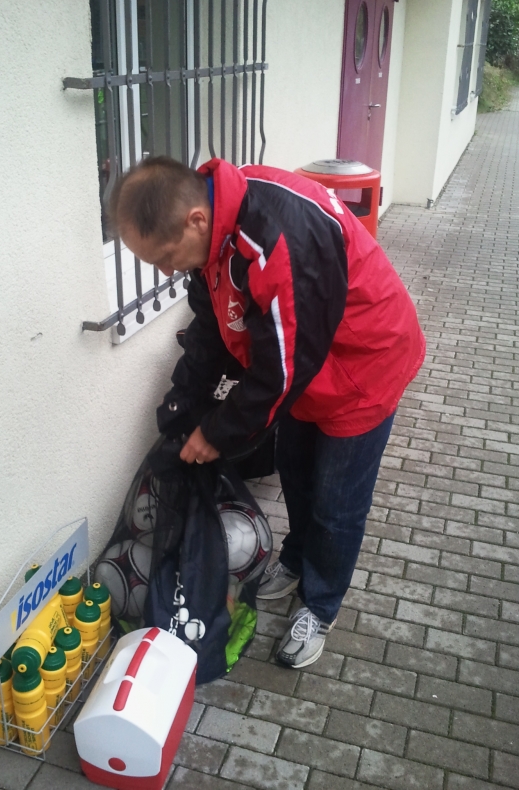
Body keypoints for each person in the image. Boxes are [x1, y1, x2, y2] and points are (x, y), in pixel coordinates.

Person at [109, 156, 425, 669]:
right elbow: (212, 326)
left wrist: (217, 432)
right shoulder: (214, 231)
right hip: (307, 375)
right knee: (297, 474)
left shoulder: (280, 237)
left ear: (195, 219)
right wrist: (183, 401)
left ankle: (321, 605)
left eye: (167, 256)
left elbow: (282, 370)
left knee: (336, 503)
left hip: (363, 367)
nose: (167, 271)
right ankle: (299, 560)